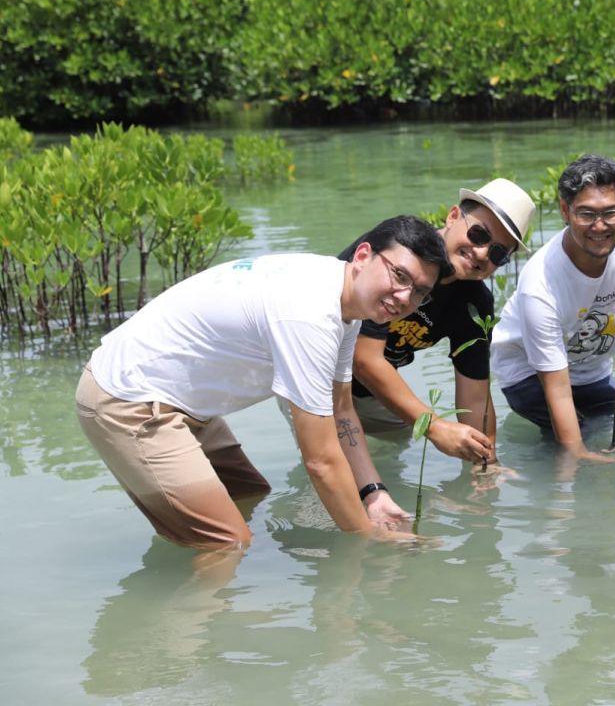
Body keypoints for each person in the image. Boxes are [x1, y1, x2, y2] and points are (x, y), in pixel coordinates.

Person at [74, 216, 450, 549]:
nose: (404, 297)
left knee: (249, 493)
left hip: (182, 401)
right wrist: (368, 543)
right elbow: (320, 461)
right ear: (364, 255)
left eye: (419, 292)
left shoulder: (346, 303)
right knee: (228, 544)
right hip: (129, 399)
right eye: (399, 275)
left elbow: (341, 410)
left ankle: (188, 536)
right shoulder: (309, 315)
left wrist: (374, 495)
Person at [337, 179, 535, 465]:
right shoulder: (401, 245)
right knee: (337, 468)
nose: (481, 253)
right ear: (453, 217)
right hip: (315, 365)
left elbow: (475, 396)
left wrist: (487, 462)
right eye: (479, 234)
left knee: (401, 435)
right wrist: (436, 427)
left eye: (497, 254)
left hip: (365, 389)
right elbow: (364, 360)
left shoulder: (475, 304)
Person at [491, 154, 615, 463]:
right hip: (527, 373)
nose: (599, 226)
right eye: (586, 214)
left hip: (590, 370)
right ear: (564, 211)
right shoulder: (540, 283)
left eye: (611, 212)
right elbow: (556, 390)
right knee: (577, 442)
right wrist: (578, 454)